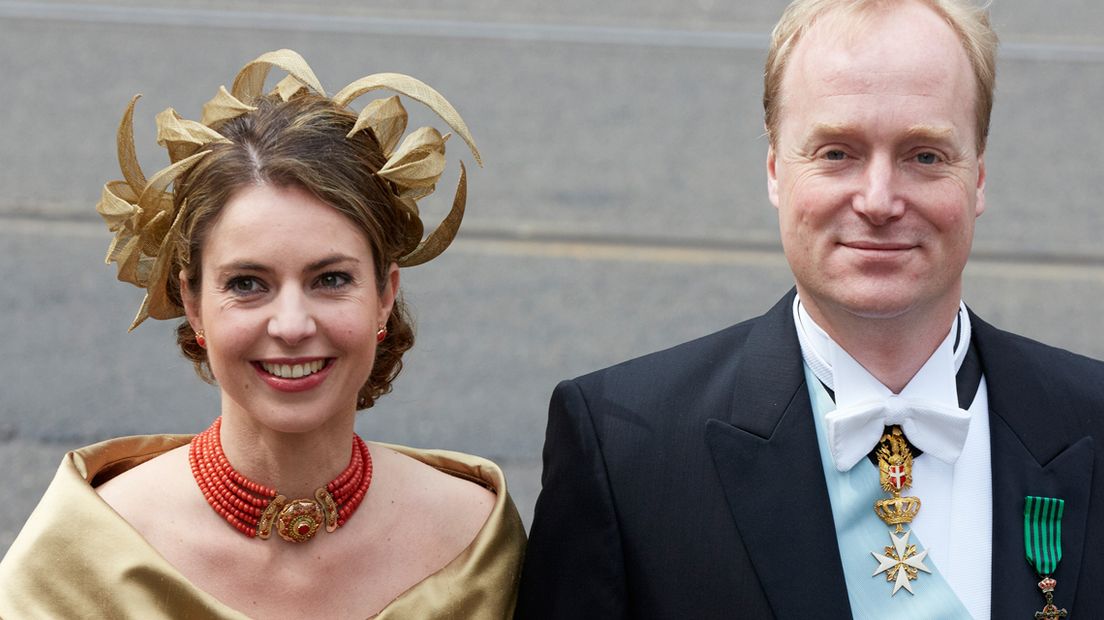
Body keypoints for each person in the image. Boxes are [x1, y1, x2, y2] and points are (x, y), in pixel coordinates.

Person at [516, 1, 1104, 618]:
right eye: (836, 152)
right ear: (775, 170)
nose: (879, 200)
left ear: (978, 177)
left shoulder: (1090, 419)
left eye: (924, 155)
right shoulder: (627, 452)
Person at [0, 49, 525, 618]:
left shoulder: (477, 542)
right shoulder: (85, 554)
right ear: (194, 304)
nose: (293, 325)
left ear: (385, 294)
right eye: (249, 284)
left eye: (330, 278)